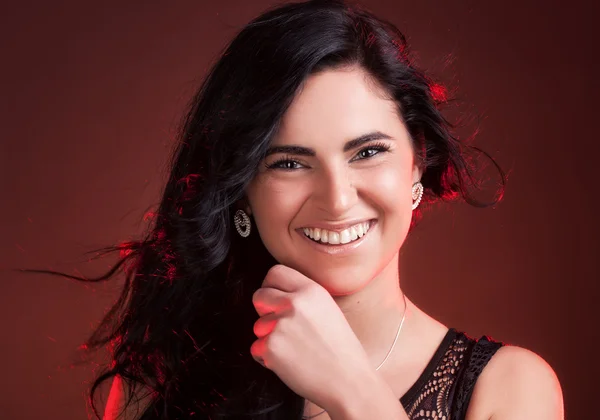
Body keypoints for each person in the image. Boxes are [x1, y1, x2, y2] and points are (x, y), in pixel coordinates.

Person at [24, 0, 563, 419]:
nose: (337, 198)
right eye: (289, 163)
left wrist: (350, 387)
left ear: (417, 163)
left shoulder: (510, 388)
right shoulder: (162, 380)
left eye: (368, 152)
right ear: (241, 190)